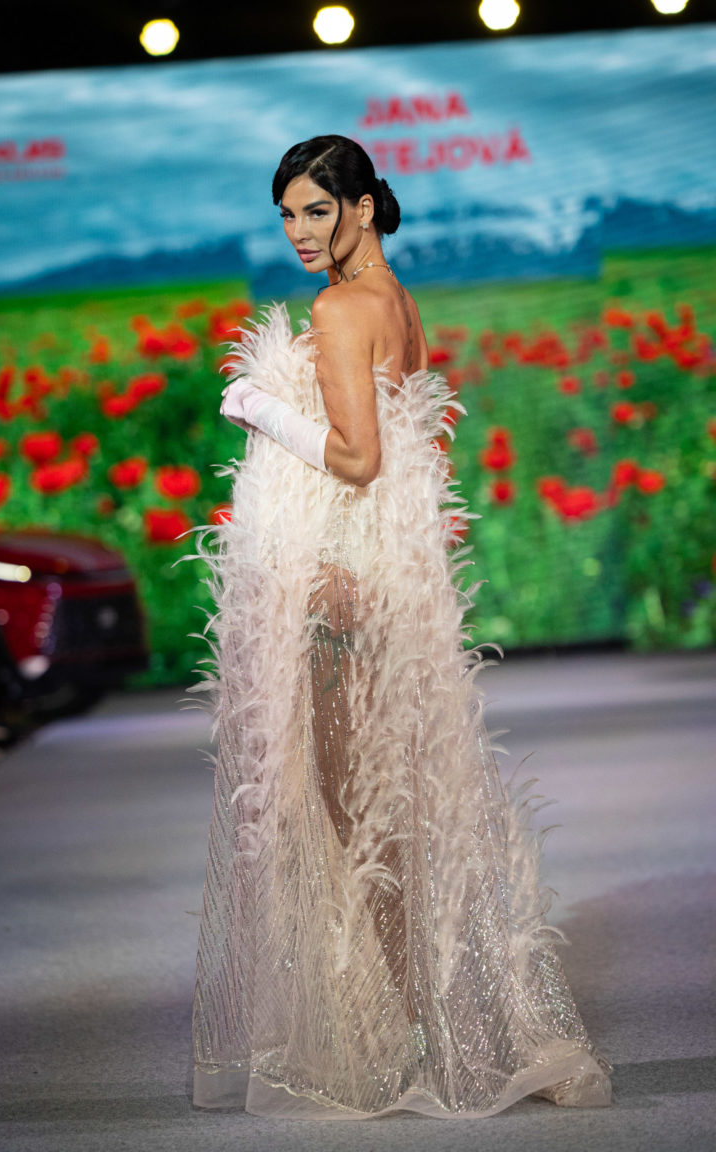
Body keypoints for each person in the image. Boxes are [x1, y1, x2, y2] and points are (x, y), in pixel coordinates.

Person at [190, 135, 611, 1118]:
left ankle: (417, 1040)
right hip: (385, 579)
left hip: (342, 584)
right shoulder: (395, 301)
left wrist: (257, 408)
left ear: (364, 207)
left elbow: (357, 458)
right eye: (287, 215)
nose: (300, 232)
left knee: (355, 826)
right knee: (387, 816)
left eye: (317, 211)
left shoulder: (341, 309)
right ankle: (428, 1027)